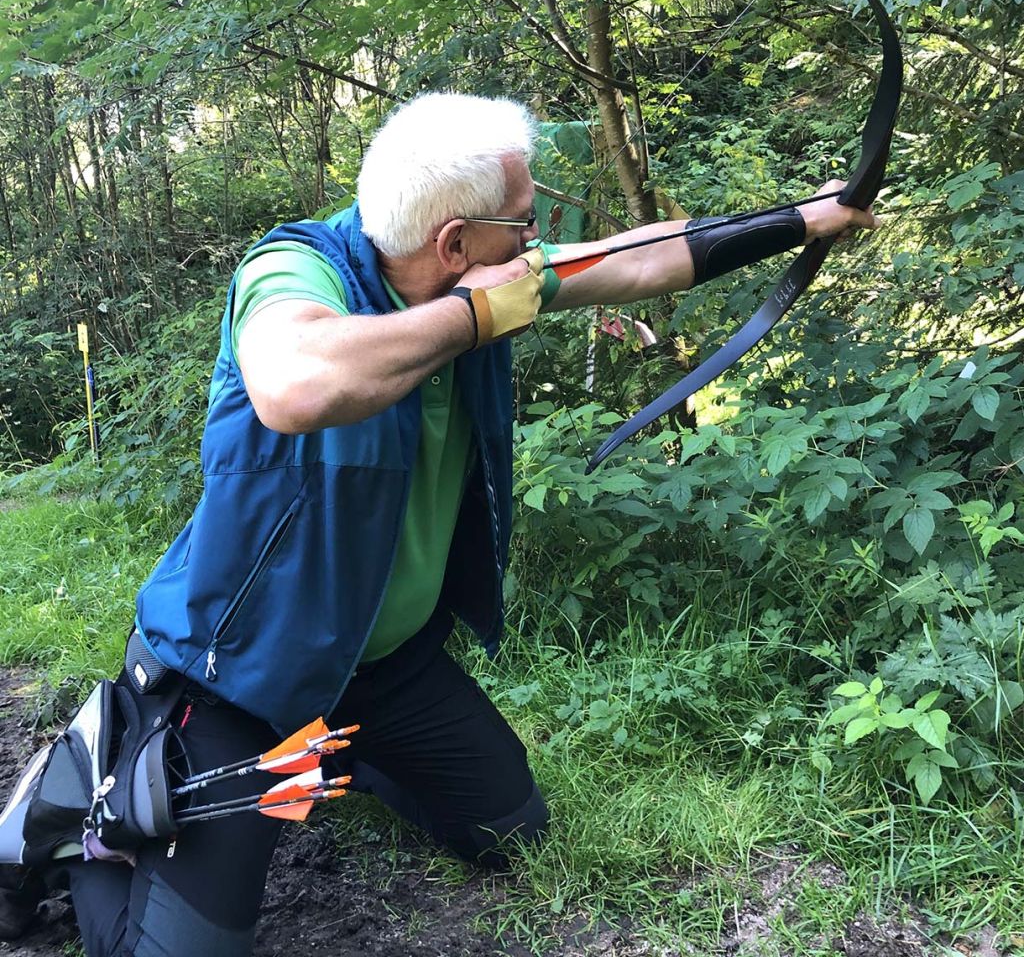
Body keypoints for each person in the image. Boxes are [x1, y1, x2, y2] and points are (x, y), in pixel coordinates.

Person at [62, 92, 876, 955]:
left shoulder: (492, 275)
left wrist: (805, 218)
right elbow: (296, 383)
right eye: (522, 225)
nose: (536, 242)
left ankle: (338, 758)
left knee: (509, 829)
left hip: (381, 670)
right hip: (239, 675)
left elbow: (636, 259)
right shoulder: (299, 268)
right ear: (454, 243)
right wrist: (478, 313)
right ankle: (77, 796)